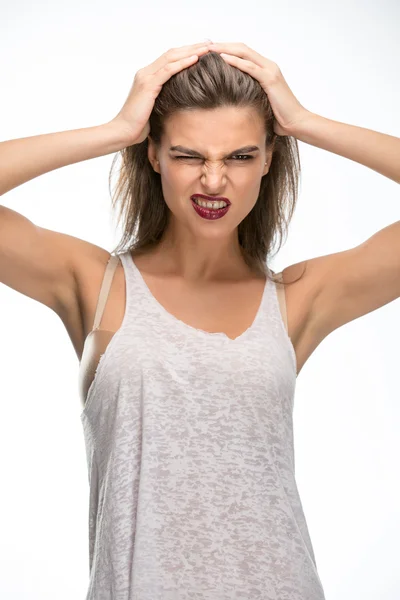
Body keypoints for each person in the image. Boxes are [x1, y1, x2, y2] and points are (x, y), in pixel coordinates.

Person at [0, 40, 399, 600]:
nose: (214, 181)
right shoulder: (95, 284)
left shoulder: (298, 300)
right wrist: (116, 130)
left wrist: (304, 122)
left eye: (239, 156)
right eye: (190, 155)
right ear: (155, 154)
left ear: (267, 160)